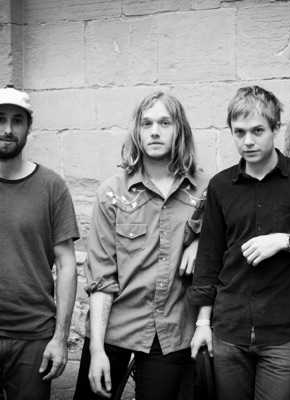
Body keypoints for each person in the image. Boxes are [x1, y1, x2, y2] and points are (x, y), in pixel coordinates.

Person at [187, 86, 290, 400]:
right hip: (229, 329)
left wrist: (283, 241)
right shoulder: (220, 186)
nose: (248, 141)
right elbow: (209, 258)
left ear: (276, 129)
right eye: (239, 132)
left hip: (284, 332)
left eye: (257, 131)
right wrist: (203, 323)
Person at [73, 92, 209, 400]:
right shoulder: (112, 194)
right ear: (137, 131)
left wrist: (201, 241)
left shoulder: (204, 191)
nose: (155, 132)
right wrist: (97, 350)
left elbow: (224, 242)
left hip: (170, 332)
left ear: (179, 129)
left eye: (165, 123)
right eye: (147, 124)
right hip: (115, 329)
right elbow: (101, 278)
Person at [0, 86, 80, 400]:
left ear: (28, 127)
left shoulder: (52, 187)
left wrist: (60, 337)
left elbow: (66, 263)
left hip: (34, 338)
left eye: (17, 121)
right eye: (0, 119)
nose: (8, 129)